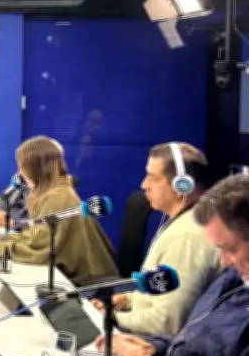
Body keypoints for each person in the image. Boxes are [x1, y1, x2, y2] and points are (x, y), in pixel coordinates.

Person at [96, 174, 249, 356]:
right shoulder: (235, 278)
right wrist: (157, 347)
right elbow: (206, 342)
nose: (224, 261)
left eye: (230, 249)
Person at [92, 142, 220, 336]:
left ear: (181, 185)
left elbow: (165, 322)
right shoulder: (190, 220)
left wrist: (110, 317)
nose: (144, 185)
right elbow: (163, 292)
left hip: (156, 346)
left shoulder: (186, 237)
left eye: (153, 177)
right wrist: (127, 300)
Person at [0, 136, 118, 286]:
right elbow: (36, 236)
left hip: (89, 286)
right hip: (85, 278)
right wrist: (0, 240)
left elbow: (38, 251)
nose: (19, 172)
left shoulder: (55, 198)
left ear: (34, 168)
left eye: (21, 166)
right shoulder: (56, 191)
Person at [0, 138, 76, 231]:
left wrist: (13, 223)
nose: (20, 172)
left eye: (23, 166)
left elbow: (39, 231)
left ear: (38, 168)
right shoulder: (21, 183)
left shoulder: (56, 197)